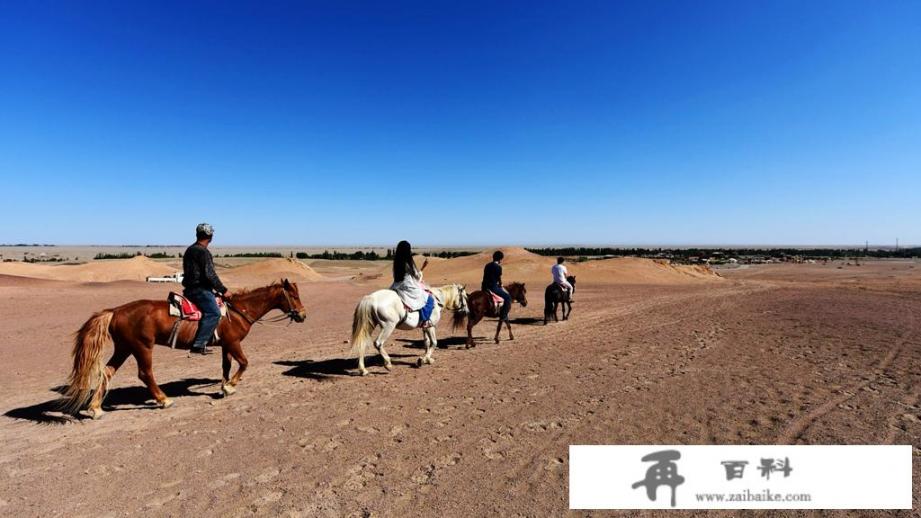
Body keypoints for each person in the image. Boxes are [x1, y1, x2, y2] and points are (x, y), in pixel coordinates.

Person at [182, 223, 232, 355]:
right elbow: (209, 274)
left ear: (197, 234)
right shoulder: (203, 252)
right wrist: (223, 290)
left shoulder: (190, 249)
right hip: (200, 290)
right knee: (214, 313)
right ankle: (199, 344)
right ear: (210, 236)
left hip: (189, 289)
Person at [390, 241, 434, 328]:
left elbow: (395, 276)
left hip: (396, 286)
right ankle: (425, 321)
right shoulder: (408, 263)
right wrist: (423, 267)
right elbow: (417, 277)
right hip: (408, 287)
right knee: (429, 299)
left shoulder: (396, 263)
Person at [482, 250, 511, 321]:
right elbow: (498, 278)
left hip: (484, 287)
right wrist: (501, 284)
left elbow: (485, 277)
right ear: (500, 259)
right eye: (501, 259)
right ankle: (504, 315)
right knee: (508, 298)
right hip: (493, 287)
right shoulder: (498, 267)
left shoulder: (487, 265)